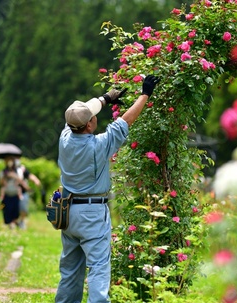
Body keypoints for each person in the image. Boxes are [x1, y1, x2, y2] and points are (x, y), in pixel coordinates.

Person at [55, 75, 160, 303]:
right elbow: (125, 121)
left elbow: (83, 115)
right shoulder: (99, 145)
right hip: (92, 214)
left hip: (68, 212)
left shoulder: (65, 137)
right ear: (91, 123)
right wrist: (146, 93)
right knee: (99, 269)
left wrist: (105, 99)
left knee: (71, 271)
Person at [15, 158, 41, 229]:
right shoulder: (9, 170)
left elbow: (29, 175)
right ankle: (14, 223)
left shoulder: (22, 169)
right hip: (13, 193)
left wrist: (36, 180)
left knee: (23, 209)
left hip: (23, 192)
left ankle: (22, 222)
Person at [0, 157, 23, 229]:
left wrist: (14, 175)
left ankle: (14, 223)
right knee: (7, 210)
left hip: (15, 194)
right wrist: (5, 176)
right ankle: (9, 224)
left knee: (15, 210)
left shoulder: (18, 171)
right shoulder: (3, 172)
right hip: (7, 194)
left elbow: (20, 181)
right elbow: (1, 183)